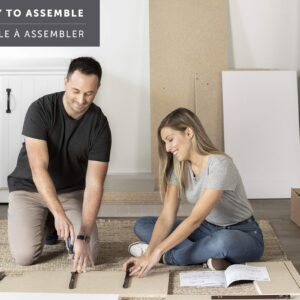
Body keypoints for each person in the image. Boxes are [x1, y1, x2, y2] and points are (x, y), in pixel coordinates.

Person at [123, 107, 264, 277]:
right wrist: (149, 253)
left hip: (242, 233)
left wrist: (155, 253)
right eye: (165, 143)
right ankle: (206, 255)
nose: (167, 148)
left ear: (189, 132)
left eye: (170, 140)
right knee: (144, 225)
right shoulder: (178, 167)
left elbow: (195, 219)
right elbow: (167, 216)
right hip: (207, 228)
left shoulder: (220, 165)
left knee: (222, 242)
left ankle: (173, 257)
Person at [7, 57, 111, 272]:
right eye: (75, 91)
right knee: (24, 256)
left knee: (88, 252)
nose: (81, 100)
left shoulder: (99, 124)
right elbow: (38, 169)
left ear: (97, 89)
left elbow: (94, 186)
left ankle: (54, 224)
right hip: (29, 189)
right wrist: (58, 214)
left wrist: (82, 235)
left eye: (89, 93)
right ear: (65, 82)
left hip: (70, 192)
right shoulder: (40, 109)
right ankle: (48, 223)